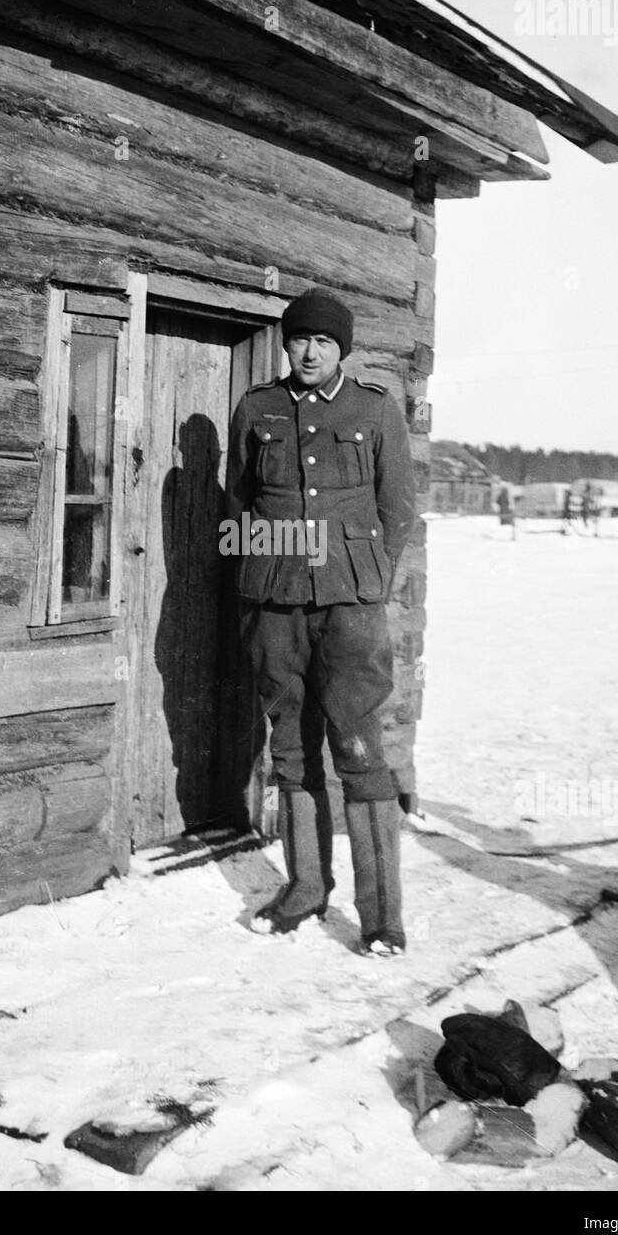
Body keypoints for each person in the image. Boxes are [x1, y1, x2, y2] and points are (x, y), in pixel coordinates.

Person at [225, 287, 416, 956]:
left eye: (324, 342)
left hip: (349, 610)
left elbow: (397, 511)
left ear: (342, 349)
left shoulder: (373, 408)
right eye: (300, 339)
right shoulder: (257, 408)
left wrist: (367, 585)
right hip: (275, 606)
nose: (309, 352)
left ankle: (380, 916)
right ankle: (306, 887)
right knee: (290, 751)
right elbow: (240, 505)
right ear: (287, 343)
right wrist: (256, 583)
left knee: (359, 753)